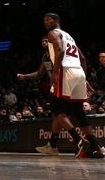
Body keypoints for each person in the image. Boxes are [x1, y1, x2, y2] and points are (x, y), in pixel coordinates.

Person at [43, 12, 104, 158]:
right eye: (44, 20)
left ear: (57, 21)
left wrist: (56, 72)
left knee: (58, 111)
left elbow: (59, 51)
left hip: (65, 71)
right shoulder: (69, 36)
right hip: (78, 72)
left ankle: (79, 141)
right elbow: (82, 58)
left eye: (48, 19)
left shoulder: (53, 33)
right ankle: (96, 146)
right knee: (78, 111)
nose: (45, 22)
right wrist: (84, 78)